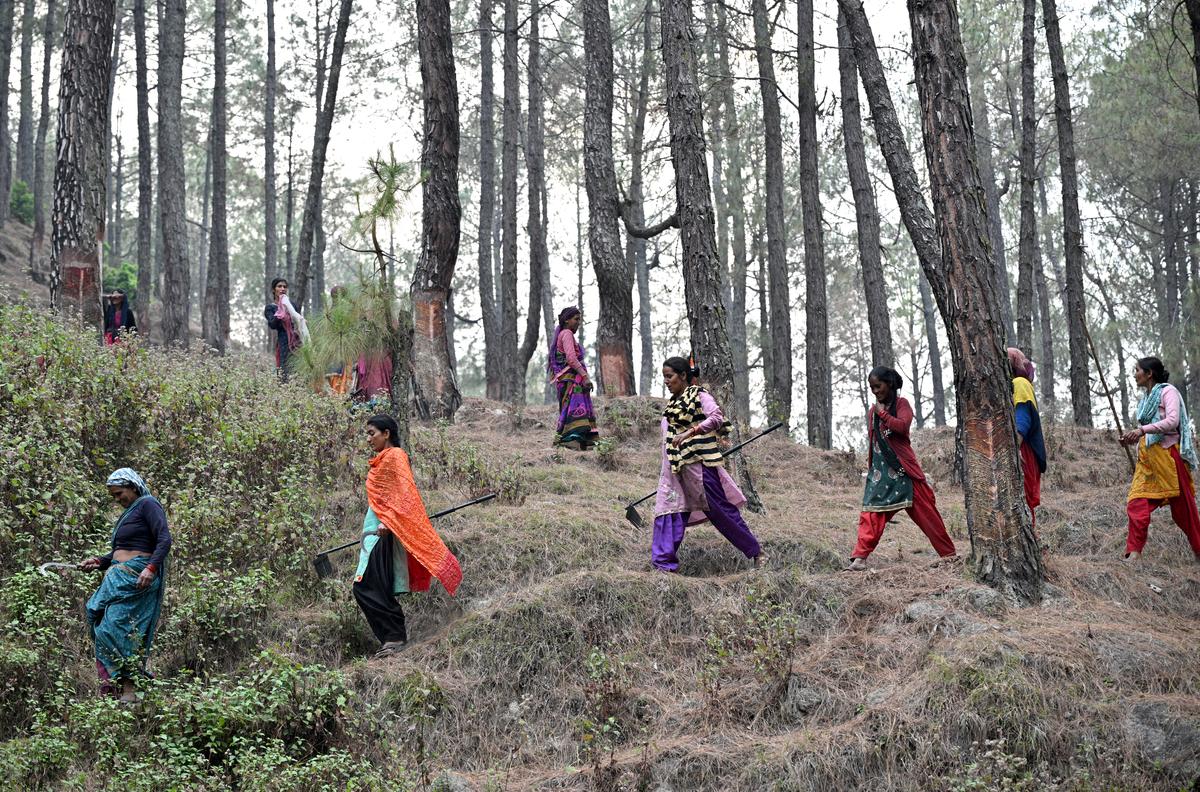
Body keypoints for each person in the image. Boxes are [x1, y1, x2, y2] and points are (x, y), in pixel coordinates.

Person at [354, 415, 463, 657]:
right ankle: (391, 638)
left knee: (365, 585)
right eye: (367, 434)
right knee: (370, 585)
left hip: (386, 530)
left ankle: (394, 637)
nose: (368, 439)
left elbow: (405, 493)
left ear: (386, 434)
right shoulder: (381, 461)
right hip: (377, 530)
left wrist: (388, 520)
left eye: (372, 433)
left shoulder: (395, 456)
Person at [651, 356, 766, 573]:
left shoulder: (699, 395)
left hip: (699, 467)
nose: (666, 381)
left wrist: (690, 432)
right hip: (674, 469)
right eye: (664, 377)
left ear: (683, 375)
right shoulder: (671, 406)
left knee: (719, 511)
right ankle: (663, 566)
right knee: (669, 511)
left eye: (670, 376)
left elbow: (716, 418)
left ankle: (756, 552)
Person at [847, 366, 957, 571]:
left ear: (889, 384)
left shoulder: (901, 404)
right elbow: (873, 442)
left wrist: (883, 414)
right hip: (880, 475)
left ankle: (949, 556)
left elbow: (902, 427)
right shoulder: (872, 412)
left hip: (905, 472)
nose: (875, 391)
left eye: (878, 386)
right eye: (872, 387)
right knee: (871, 514)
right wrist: (871, 470)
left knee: (928, 515)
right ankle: (860, 559)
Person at [78, 469, 172, 703]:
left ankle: (130, 688)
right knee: (100, 624)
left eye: (119, 493)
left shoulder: (148, 504)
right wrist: (99, 561)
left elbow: (164, 539)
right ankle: (115, 688)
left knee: (120, 629)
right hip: (118, 576)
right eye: (113, 496)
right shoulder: (129, 514)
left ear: (132, 487)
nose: (117, 499)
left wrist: (150, 568)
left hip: (136, 578)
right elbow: (120, 552)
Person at [1119, 356, 1200, 562]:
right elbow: (1146, 431)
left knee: (1184, 511)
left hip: (1168, 458)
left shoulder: (1168, 392)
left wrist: (1141, 430)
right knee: (1136, 502)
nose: (1134, 374)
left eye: (1137, 370)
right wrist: (1133, 438)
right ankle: (1134, 553)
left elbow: (1172, 421)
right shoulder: (1145, 400)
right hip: (1148, 460)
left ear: (1149, 374)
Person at [547, 306, 599, 450]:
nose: (578, 322)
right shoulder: (567, 334)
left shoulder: (563, 334)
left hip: (569, 380)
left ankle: (578, 441)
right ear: (566, 320)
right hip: (571, 380)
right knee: (575, 407)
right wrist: (585, 376)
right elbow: (571, 358)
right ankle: (571, 441)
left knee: (572, 408)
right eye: (576, 319)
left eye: (579, 320)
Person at [1008, 348, 1047, 532]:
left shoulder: (1020, 383)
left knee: (1022, 500)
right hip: (1023, 448)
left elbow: (1023, 419)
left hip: (1024, 449)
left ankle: (1029, 538)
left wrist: (1015, 447)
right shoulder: (1017, 384)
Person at [264, 278, 306, 380]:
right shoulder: (270, 308)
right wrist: (280, 311)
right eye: (279, 286)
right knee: (284, 369)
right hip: (283, 342)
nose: (283, 289)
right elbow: (272, 324)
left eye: (285, 287)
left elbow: (297, 319)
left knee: (299, 368)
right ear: (273, 290)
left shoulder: (292, 305)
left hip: (297, 341)